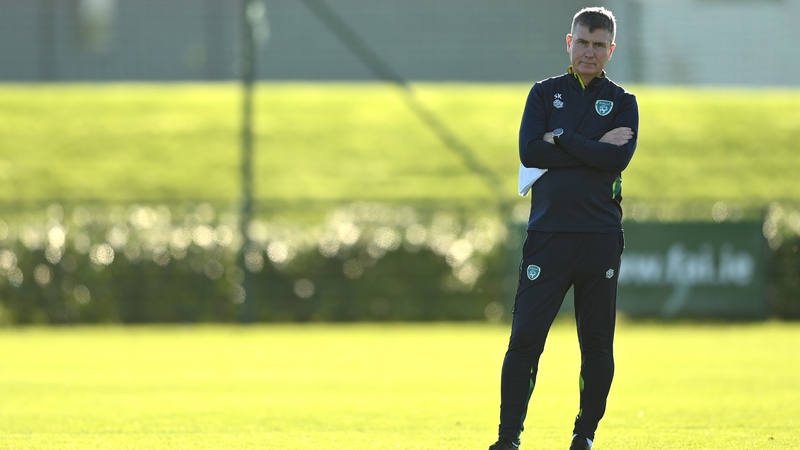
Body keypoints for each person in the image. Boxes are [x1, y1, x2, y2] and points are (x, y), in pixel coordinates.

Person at [488, 7, 638, 450]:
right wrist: (590, 145)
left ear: (610, 50)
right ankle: (508, 438)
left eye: (598, 45)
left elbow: (617, 159)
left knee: (595, 343)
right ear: (568, 42)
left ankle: (584, 434)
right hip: (548, 236)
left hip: (598, 239)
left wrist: (563, 139)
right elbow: (530, 152)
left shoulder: (624, 101)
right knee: (526, 339)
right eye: (582, 42)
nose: (589, 52)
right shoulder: (543, 94)